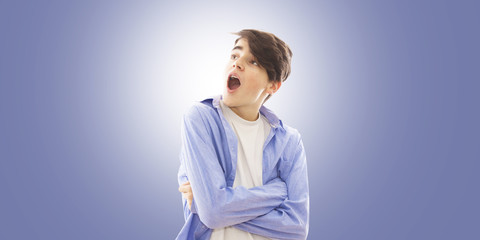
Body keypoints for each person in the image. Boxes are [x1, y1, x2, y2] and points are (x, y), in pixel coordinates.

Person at [176, 29, 309, 240]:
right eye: (235, 55)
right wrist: (278, 192)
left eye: (253, 62)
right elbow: (213, 212)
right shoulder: (200, 119)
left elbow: (296, 228)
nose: (237, 63)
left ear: (273, 85)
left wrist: (209, 205)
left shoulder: (289, 141)